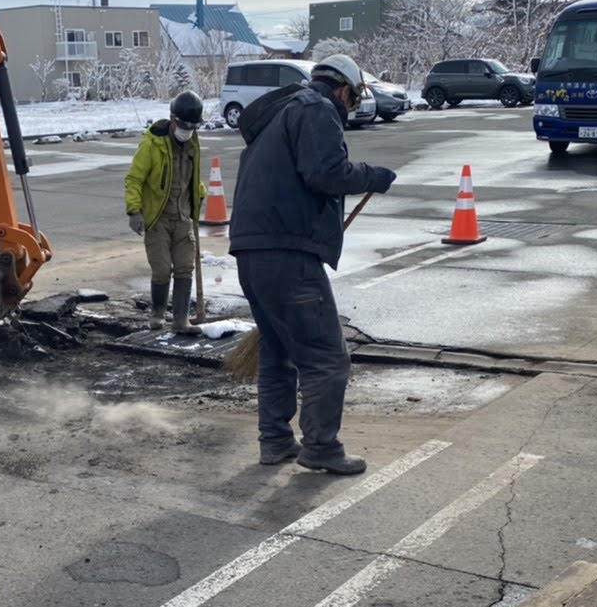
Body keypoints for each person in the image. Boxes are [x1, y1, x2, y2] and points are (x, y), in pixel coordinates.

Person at [228, 53, 397, 476]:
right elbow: (325, 172)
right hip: (287, 254)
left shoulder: (280, 115)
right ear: (343, 89)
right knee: (327, 357)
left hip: (251, 252)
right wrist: (371, 176)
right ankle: (321, 447)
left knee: (276, 350)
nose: (350, 108)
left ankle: (275, 441)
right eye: (352, 100)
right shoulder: (317, 109)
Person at [124, 90, 207, 333]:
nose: (187, 130)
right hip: (158, 218)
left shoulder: (192, 144)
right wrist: (134, 211)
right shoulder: (152, 145)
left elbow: (192, 178)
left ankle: (181, 320)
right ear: (173, 120)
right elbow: (134, 179)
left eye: (192, 126)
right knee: (161, 269)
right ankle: (158, 313)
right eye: (183, 125)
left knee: (184, 267)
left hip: (182, 217)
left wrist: (199, 194)